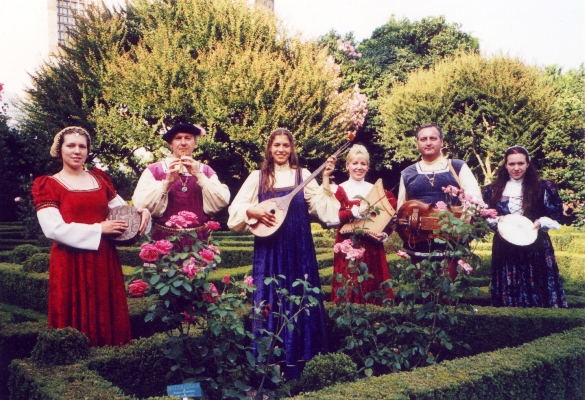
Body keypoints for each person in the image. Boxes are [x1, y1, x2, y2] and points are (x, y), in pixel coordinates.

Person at [227, 128, 339, 379]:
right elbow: (235, 212)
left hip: (299, 249)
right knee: (270, 298)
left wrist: (325, 180)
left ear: (292, 148)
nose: (280, 149)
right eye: (276, 145)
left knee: (301, 298)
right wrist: (253, 212)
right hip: (270, 249)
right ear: (269, 148)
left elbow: (324, 211)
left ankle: (304, 364)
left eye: (285, 145)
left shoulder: (304, 175)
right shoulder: (257, 176)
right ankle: (269, 364)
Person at [32, 126, 150, 346]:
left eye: (82, 146)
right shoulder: (48, 184)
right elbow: (52, 229)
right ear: (60, 150)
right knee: (73, 312)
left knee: (106, 309)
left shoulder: (100, 179)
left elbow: (122, 213)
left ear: (87, 151)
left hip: (103, 258)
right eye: (71, 145)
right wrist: (98, 229)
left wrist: (141, 212)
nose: (77, 151)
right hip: (69, 261)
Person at [482, 146, 568, 308]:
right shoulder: (492, 190)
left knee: (538, 284)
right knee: (508, 285)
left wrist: (541, 221)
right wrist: (495, 221)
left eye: (521, 163)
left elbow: (556, 215)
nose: (516, 168)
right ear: (505, 165)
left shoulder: (543, 187)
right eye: (512, 164)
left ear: (528, 164)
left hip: (536, 245)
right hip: (505, 246)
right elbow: (484, 216)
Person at [397, 123, 482, 280]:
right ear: (417, 143)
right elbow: (401, 209)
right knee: (423, 292)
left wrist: (462, 224)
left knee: (449, 291)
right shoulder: (407, 173)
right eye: (423, 139)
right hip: (418, 243)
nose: (428, 142)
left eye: (433, 138)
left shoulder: (458, 167)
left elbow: (475, 199)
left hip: (451, 242)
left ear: (441, 142)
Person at [132, 123, 230, 244]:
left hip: (198, 241)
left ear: (195, 143)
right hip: (163, 241)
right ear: (170, 144)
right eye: (178, 138)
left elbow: (220, 201)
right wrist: (166, 183)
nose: (183, 143)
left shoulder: (206, 171)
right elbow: (140, 205)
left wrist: (199, 176)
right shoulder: (154, 170)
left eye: (188, 138)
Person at [330, 144, 397, 304]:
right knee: (348, 282)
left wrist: (385, 234)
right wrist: (354, 212)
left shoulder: (377, 191)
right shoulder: (339, 190)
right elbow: (332, 218)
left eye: (363, 164)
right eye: (355, 163)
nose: (359, 167)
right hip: (347, 244)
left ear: (368, 167)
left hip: (372, 246)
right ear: (347, 166)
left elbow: (390, 219)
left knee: (373, 283)